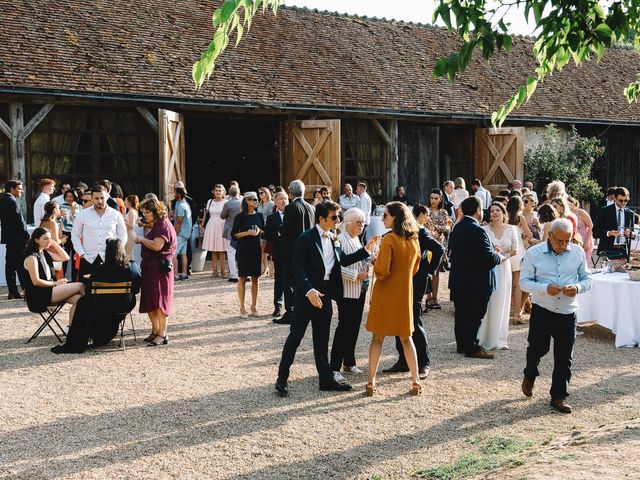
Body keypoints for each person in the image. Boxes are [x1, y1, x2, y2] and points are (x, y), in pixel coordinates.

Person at [275, 201, 371, 397]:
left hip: (326, 294)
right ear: (321, 219)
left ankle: (326, 379)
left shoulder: (334, 237)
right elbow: (297, 267)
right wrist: (309, 290)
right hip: (306, 295)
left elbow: (343, 259)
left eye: (339, 217)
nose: (338, 221)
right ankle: (282, 378)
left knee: (322, 339)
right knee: (296, 336)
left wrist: (366, 251)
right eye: (335, 217)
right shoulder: (306, 238)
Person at [520, 218, 592, 413]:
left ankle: (558, 396)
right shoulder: (534, 253)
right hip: (543, 310)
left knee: (564, 358)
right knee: (537, 348)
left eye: (567, 241)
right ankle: (530, 374)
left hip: (568, 312)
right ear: (550, 236)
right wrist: (544, 288)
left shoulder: (577, 253)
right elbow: (524, 282)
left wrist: (577, 287)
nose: (563, 245)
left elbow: (587, 279)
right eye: (559, 241)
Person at [365, 202, 422, 396]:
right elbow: (415, 269)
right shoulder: (414, 239)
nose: (382, 219)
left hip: (386, 292)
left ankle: (371, 380)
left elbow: (382, 271)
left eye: (386, 216)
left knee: (377, 338)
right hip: (404, 293)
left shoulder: (389, 239)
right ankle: (415, 380)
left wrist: (374, 259)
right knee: (407, 338)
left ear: (395, 218)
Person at [382, 204, 443, 379]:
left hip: (415, 282)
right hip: (397, 284)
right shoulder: (390, 235)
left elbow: (438, 249)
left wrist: (428, 271)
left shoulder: (419, 232)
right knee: (398, 321)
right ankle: (403, 360)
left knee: (415, 322)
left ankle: (423, 363)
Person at [50, 238, 141, 354]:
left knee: (83, 302)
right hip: (123, 305)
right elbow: (136, 289)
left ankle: (82, 334)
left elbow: (89, 291)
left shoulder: (99, 270)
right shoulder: (132, 267)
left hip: (101, 307)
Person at [448, 196, 505, 359]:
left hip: (459, 279)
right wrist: (499, 256)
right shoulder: (478, 230)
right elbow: (487, 258)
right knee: (475, 315)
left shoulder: (457, 228)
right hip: (477, 281)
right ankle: (472, 347)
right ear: (478, 211)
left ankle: (461, 344)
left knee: (461, 314)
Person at [330, 208, 381, 380]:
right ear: (349, 223)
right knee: (344, 327)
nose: (362, 225)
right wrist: (355, 275)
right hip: (347, 290)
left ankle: (349, 361)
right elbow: (338, 267)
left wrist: (370, 257)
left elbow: (359, 259)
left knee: (354, 327)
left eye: (362, 222)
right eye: (358, 222)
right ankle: (334, 366)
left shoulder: (357, 239)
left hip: (360, 289)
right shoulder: (340, 239)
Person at [134, 198, 177, 346]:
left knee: (160, 302)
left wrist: (140, 239)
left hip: (159, 268)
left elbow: (157, 245)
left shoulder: (163, 225)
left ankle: (162, 333)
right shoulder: (158, 224)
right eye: (143, 212)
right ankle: (155, 330)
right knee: (151, 300)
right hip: (151, 267)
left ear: (155, 211)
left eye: (147, 212)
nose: (145, 215)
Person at [23, 227, 85, 327]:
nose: (48, 241)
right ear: (36, 240)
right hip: (38, 294)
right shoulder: (32, 257)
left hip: (50, 290)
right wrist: (55, 283)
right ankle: (98, 310)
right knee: (81, 285)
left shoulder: (44, 253)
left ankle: (72, 330)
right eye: (45, 239)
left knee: (81, 300)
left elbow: (65, 257)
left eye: (50, 238)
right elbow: (36, 281)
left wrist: (55, 244)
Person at [478, 202, 517, 351]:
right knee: (489, 300)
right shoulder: (484, 230)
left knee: (502, 300)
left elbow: (515, 250)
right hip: (490, 267)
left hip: (504, 267)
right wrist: (493, 254)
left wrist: (502, 256)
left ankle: (500, 339)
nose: (495, 213)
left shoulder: (511, 229)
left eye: (498, 210)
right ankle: (484, 336)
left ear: (503, 213)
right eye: (492, 211)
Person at [278, 179, 316, 324]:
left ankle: (290, 312)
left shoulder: (291, 208)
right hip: (309, 250)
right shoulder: (311, 207)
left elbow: (285, 229)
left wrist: (279, 229)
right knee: (304, 279)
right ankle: (304, 309)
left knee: (289, 281)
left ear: (291, 193)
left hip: (292, 250)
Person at [71, 185, 127, 278]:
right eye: (96, 198)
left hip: (110, 259)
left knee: (107, 290)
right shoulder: (82, 215)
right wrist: (81, 253)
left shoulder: (116, 215)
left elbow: (122, 236)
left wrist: (116, 252)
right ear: (92, 199)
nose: (100, 201)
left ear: (107, 197)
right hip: (88, 258)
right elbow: (75, 235)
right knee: (85, 289)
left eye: (102, 198)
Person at [231, 191, 264, 318]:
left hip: (255, 249)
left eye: (257, 200)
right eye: (254, 199)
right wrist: (247, 233)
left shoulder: (260, 215)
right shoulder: (240, 217)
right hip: (243, 249)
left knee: (256, 278)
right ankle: (242, 307)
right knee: (243, 278)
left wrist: (259, 231)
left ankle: (254, 306)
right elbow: (234, 235)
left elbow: (263, 231)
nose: (257, 201)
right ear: (247, 201)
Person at [0, 180, 30, 299]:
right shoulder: (11, 201)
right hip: (17, 239)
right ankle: (26, 291)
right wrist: (27, 237)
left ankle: (12, 291)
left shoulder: (4, 199)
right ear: (11, 189)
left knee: (10, 266)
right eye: (19, 188)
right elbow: (19, 221)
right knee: (21, 265)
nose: (21, 191)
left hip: (10, 239)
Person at [506, 196, 533, 324]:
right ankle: (517, 314)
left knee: (507, 283)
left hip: (507, 251)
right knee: (517, 285)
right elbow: (530, 235)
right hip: (518, 251)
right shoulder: (520, 218)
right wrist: (522, 234)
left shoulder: (504, 218)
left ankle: (505, 311)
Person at [264, 191, 290, 320]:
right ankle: (278, 306)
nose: (284, 201)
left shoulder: (293, 215)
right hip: (279, 252)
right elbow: (268, 235)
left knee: (292, 280)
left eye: (285, 198)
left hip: (293, 252)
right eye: (280, 199)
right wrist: (279, 232)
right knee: (279, 280)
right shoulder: (271, 217)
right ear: (275, 202)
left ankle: (291, 307)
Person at [593, 186, 637, 258]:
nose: (623, 203)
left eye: (626, 200)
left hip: (623, 251)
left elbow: (632, 233)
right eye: (620, 200)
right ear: (615, 198)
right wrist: (609, 233)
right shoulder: (605, 211)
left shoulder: (630, 213)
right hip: (607, 250)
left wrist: (631, 234)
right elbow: (595, 232)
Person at [201, 184, 228, 277]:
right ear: (213, 192)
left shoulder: (226, 202)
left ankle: (223, 271)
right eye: (216, 190)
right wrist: (202, 224)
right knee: (213, 250)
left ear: (223, 192)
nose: (218, 192)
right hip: (211, 224)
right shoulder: (210, 201)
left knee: (222, 250)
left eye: (220, 190)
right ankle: (214, 271)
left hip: (222, 225)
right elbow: (206, 214)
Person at [220, 186, 243, 283]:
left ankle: (234, 275)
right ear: (238, 192)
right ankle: (245, 273)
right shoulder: (243, 202)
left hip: (231, 230)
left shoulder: (228, 203)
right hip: (243, 230)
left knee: (231, 252)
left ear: (229, 194)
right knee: (243, 252)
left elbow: (222, 216)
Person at [59, 189, 82, 280]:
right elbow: (58, 220)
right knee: (64, 257)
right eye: (67, 197)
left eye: (71, 197)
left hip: (76, 235)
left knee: (75, 258)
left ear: (75, 197)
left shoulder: (80, 207)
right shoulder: (61, 207)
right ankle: (62, 279)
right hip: (65, 235)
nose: (68, 198)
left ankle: (74, 280)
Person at [172, 187, 192, 281]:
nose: (173, 194)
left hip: (181, 232)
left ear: (179, 194)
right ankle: (184, 273)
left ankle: (175, 275)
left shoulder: (181, 206)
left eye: (175, 192)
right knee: (183, 253)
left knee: (173, 254)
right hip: (186, 232)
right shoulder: (183, 203)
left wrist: (175, 234)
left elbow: (179, 221)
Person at [568, 196, 594, 264]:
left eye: (570, 202)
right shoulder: (566, 214)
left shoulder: (580, 212)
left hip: (584, 238)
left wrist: (587, 241)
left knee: (584, 262)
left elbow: (590, 226)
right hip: (573, 240)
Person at [257, 187, 275, 276]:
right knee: (262, 249)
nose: (260, 195)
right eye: (259, 193)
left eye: (262, 193)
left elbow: (273, 216)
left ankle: (273, 269)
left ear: (267, 193)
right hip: (261, 228)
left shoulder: (271, 204)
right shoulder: (260, 205)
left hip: (269, 227)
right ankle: (265, 268)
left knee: (271, 249)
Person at [124, 195, 139, 261]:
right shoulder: (134, 211)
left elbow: (131, 225)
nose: (125, 203)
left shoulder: (131, 211)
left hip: (129, 234)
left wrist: (123, 221)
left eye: (126, 201)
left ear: (129, 202)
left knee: (127, 253)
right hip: (129, 234)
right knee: (128, 253)